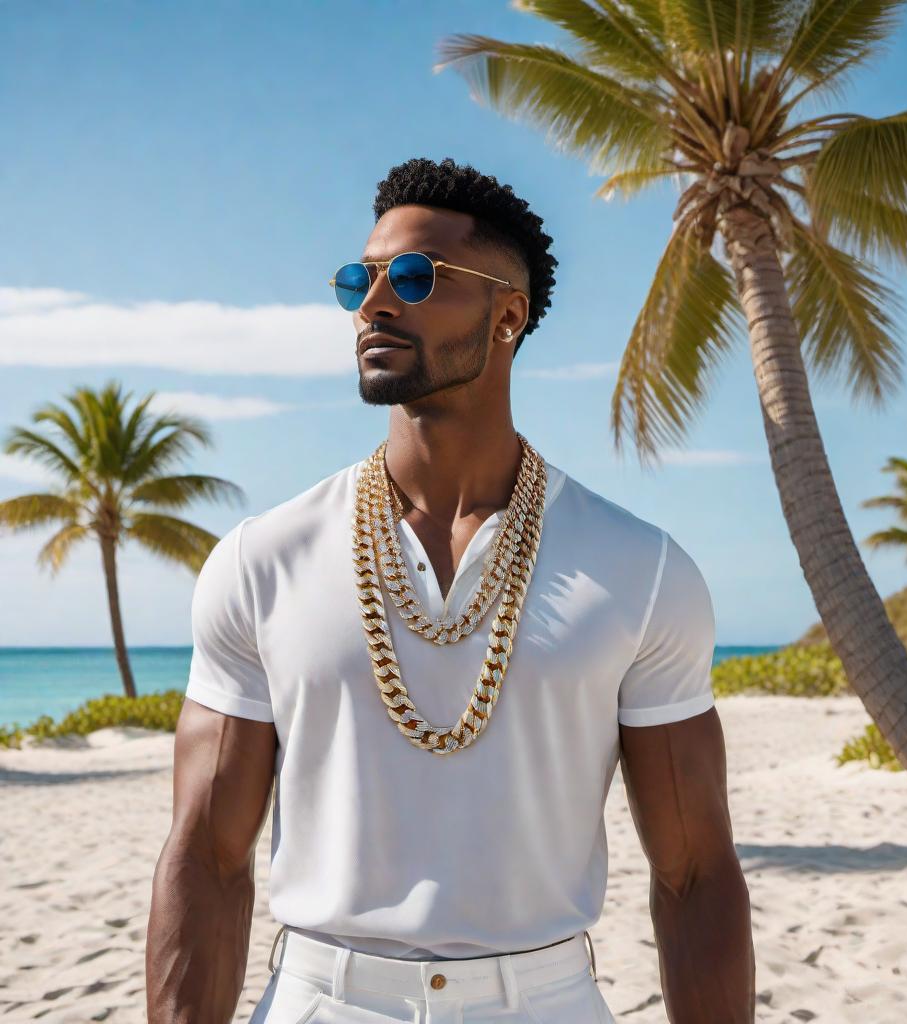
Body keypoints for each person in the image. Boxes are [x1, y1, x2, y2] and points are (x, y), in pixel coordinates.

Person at [146, 156, 754, 1023]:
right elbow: (206, 857)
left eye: (417, 277)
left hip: (544, 1002)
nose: (374, 303)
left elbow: (695, 874)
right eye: (360, 278)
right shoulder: (262, 559)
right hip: (321, 1001)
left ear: (508, 315)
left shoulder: (639, 570)